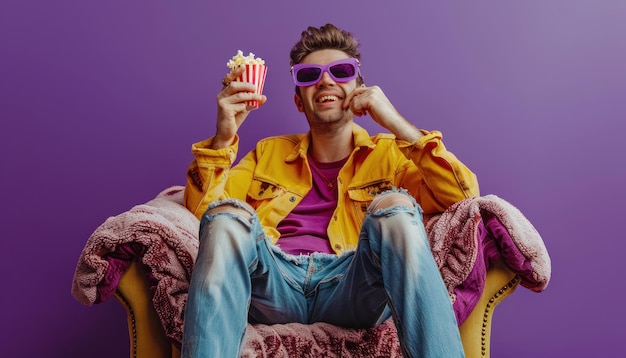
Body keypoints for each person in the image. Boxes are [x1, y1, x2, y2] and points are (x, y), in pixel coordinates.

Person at [181, 23, 479, 358]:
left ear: (360, 90)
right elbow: (203, 215)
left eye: (340, 71)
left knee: (395, 206)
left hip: (352, 285)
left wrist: (395, 122)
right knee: (226, 217)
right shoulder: (268, 153)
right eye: (309, 75)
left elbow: (461, 196)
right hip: (274, 285)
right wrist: (223, 138)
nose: (325, 80)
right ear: (298, 100)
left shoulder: (388, 155)